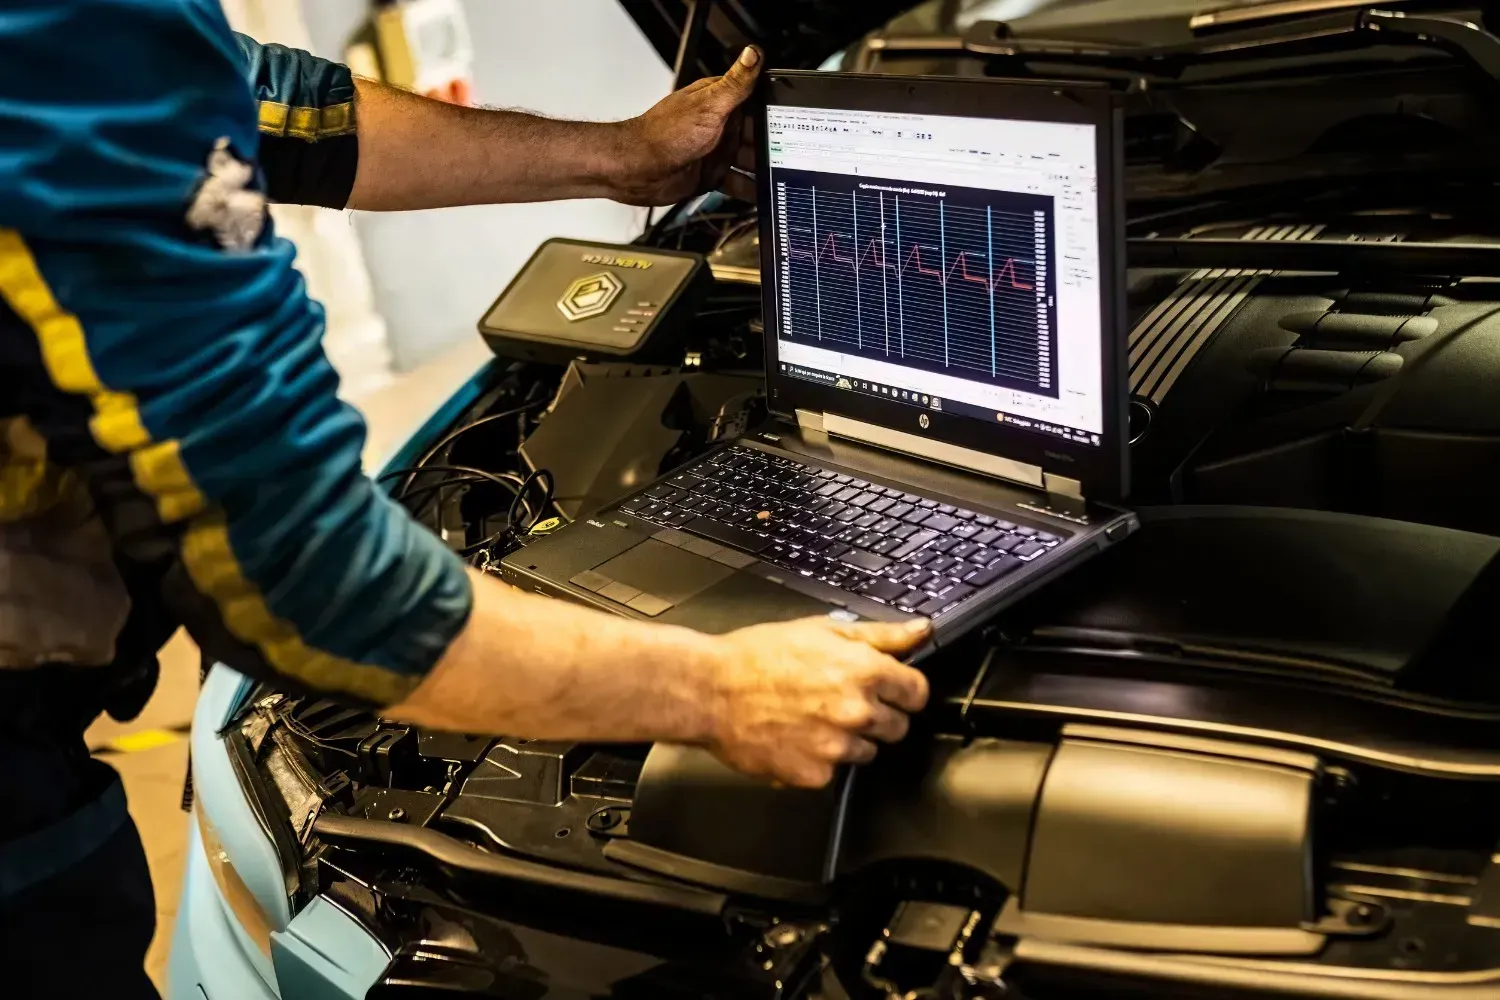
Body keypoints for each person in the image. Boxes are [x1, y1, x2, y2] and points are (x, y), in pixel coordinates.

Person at [0, 1, 932, 996]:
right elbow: (310, 584)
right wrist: (725, 692)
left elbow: (275, 104)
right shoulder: (69, 46)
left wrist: (625, 156)